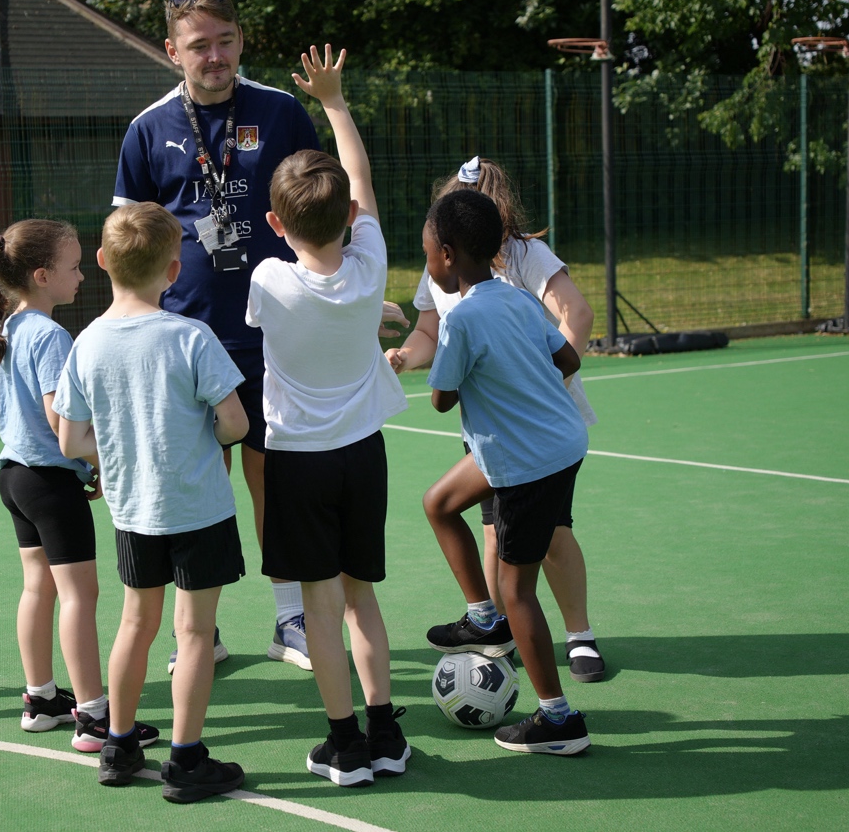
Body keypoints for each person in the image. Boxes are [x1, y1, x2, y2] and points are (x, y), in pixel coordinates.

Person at [112, 0, 321, 672]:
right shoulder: (148, 128)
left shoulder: (281, 111)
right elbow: (128, 240)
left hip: (275, 336)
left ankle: (290, 619)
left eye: (225, 41)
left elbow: (321, 209)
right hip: (182, 342)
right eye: (199, 44)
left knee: (275, 484)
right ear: (172, 51)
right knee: (195, 487)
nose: (214, 56)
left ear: (241, 41)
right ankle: (197, 632)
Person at [246, 45, 410, 787]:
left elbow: (328, 220)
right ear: (348, 217)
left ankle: (344, 745)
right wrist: (335, 103)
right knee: (360, 597)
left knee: (319, 604)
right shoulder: (370, 267)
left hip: (298, 463)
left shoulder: (268, 279)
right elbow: (361, 184)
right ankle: (386, 734)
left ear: (275, 222)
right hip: (363, 455)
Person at [54, 202, 250, 803]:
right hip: (198, 508)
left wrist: (115, 454)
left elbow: (70, 440)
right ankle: (186, 760)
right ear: (174, 269)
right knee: (194, 633)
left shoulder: (86, 343)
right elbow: (236, 424)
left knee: (135, 624)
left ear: (102, 261)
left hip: (133, 510)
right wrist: (204, 433)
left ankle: (118, 745)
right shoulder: (191, 337)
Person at [385, 157, 606, 682]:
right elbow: (429, 332)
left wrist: (525, 385)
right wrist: (404, 356)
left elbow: (444, 396)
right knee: (476, 525)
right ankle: (493, 626)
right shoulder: (492, 294)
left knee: (543, 549)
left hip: (533, 434)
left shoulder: (520, 261)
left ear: (449, 247)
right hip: (503, 437)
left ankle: (571, 656)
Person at [0, 220, 158, 752]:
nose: (82, 276)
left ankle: (40, 699)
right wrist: (103, 457)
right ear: (41, 275)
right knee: (80, 595)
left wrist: (82, 464)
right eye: (74, 267)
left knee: (39, 588)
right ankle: (94, 717)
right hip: (49, 483)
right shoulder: (51, 335)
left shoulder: (11, 324)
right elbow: (64, 426)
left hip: (15, 478)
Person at [422, 187, 591, 755]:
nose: (427, 263)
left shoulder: (463, 319)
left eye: (426, 253)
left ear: (447, 255)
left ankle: (558, 721)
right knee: (440, 503)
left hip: (527, 462)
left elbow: (442, 398)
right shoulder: (518, 299)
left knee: (519, 591)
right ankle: (482, 617)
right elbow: (568, 357)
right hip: (559, 442)